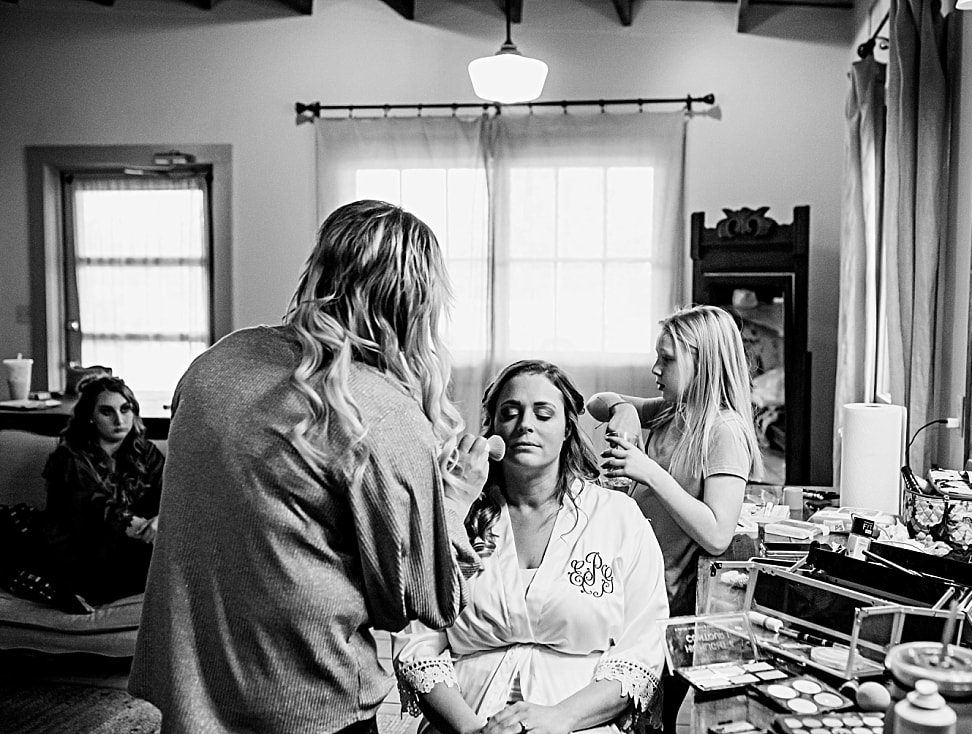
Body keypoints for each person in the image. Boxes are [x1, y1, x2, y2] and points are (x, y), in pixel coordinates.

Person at [128, 200, 491, 734]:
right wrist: (456, 501)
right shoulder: (382, 412)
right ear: (414, 306)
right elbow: (420, 603)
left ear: (319, 270)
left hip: (188, 700)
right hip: (307, 706)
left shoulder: (213, 365)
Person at [393, 360, 668, 734]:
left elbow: (642, 648)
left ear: (568, 428)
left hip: (579, 723)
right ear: (493, 428)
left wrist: (562, 718)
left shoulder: (617, 518)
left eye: (543, 413)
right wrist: (472, 731)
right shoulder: (454, 517)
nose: (526, 424)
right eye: (510, 412)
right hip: (463, 721)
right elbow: (418, 642)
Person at [585, 304, 763, 733]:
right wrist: (624, 411)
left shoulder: (724, 431)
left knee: (643, 720)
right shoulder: (670, 410)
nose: (655, 368)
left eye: (667, 359)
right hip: (624, 590)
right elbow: (595, 402)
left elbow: (718, 533)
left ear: (702, 364)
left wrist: (648, 471)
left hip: (664, 607)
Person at [6, 374, 164, 610]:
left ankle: (44, 585)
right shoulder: (69, 457)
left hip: (128, 551)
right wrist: (143, 527)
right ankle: (32, 581)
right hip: (75, 545)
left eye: (125, 409)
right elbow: (93, 508)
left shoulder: (148, 453)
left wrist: (161, 520)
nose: (119, 420)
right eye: (107, 412)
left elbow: (169, 500)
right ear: (90, 416)